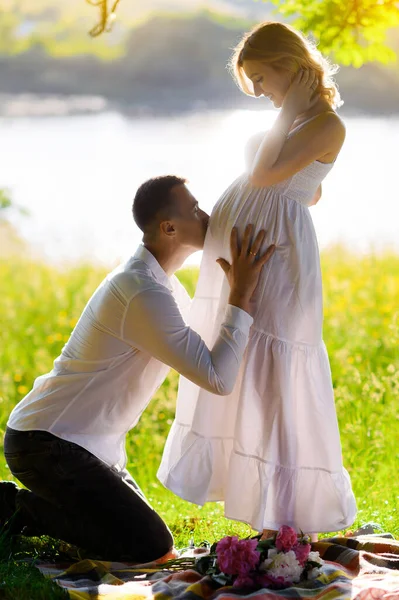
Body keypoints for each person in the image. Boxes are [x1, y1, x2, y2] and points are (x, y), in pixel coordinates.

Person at [0, 175, 275, 562]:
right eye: (195, 209)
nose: (207, 216)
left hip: (88, 447)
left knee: (139, 538)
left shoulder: (164, 288)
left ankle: (39, 508)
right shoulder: (143, 291)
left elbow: (209, 360)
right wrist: (241, 296)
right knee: (151, 546)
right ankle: (11, 508)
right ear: (169, 228)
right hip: (46, 443)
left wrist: (238, 295)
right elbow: (217, 376)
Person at [158, 22, 357, 540]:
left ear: (289, 66)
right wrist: (302, 184)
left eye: (263, 80)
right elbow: (298, 188)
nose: (264, 95)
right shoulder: (294, 123)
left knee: (276, 378)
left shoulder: (326, 124)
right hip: (249, 253)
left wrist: (290, 112)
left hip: (278, 260)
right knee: (243, 367)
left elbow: (268, 177)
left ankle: (288, 515)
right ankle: (263, 508)